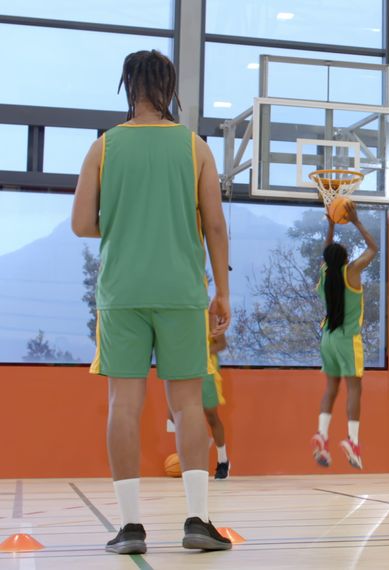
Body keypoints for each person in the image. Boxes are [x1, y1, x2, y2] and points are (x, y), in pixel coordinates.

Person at [71, 49, 232, 553]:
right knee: (187, 406)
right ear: (169, 89)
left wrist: (123, 224)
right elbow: (215, 224)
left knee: (123, 403)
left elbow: (81, 224)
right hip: (182, 292)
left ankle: (131, 528)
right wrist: (222, 291)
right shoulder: (195, 147)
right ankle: (197, 521)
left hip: (123, 292)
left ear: (128, 87)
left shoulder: (104, 147)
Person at [311, 201, 378, 469]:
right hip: (348, 339)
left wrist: (330, 224)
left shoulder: (325, 276)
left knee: (331, 388)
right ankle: (352, 441)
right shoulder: (351, 272)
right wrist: (356, 221)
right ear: (347, 258)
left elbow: (326, 254)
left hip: (327, 338)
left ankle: (322, 435)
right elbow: (374, 248)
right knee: (354, 390)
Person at [165, 333, 231, 479]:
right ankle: (195, 453)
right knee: (178, 415)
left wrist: (199, 351)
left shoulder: (210, 315)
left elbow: (221, 344)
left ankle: (223, 461)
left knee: (211, 416)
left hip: (207, 369)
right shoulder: (175, 318)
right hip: (184, 368)